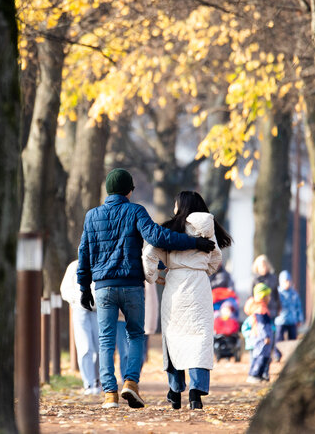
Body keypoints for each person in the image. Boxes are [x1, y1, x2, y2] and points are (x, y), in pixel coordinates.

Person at [77, 169, 215, 410]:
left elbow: (84, 253)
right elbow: (157, 236)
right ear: (129, 190)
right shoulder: (135, 211)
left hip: (102, 287)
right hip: (130, 284)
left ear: (108, 190)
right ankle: (130, 382)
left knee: (106, 339)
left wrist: (84, 288)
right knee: (135, 335)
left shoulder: (92, 216)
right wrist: (194, 242)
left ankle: (109, 394)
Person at [142, 190, 232, 411]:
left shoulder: (170, 228)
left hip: (175, 287)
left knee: (174, 337)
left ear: (181, 206)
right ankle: (196, 393)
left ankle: (174, 390)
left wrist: (152, 276)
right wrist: (203, 270)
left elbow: (149, 254)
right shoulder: (209, 229)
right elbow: (216, 258)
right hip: (199, 286)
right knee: (200, 338)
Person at [60, 260, 100, 395]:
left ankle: (97, 381)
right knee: (85, 347)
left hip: (97, 310)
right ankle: (88, 383)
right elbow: (65, 289)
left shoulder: (99, 262)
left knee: (99, 348)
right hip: (80, 310)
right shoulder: (74, 266)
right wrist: (77, 299)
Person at [252, 254, 281, 366]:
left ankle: (271, 354)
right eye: (261, 265)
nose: (263, 267)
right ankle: (260, 357)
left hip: (272, 310)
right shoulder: (254, 279)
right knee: (261, 334)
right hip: (259, 311)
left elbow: (276, 295)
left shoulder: (273, 278)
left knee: (272, 333)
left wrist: (279, 307)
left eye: (265, 265)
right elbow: (251, 296)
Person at [245, 283, 274, 383]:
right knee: (260, 356)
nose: (269, 298)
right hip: (261, 338)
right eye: (268, 296)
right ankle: (254, 375)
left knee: (262, 356)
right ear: (263, 296)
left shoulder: (261, 307)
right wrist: (266, 336)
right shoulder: (261, 310)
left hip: (259, 336)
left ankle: (259, 375)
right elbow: (262, 325)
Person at [275, 270, 304, 342]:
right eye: (285, 281)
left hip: (292, 320)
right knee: (279, 338)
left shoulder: (294, 294)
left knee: (293, 338)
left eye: (289, 281)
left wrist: (299, 319)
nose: (287, 283)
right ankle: (278, 353)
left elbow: (298, 307)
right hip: (280, 320)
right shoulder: (278, 293)